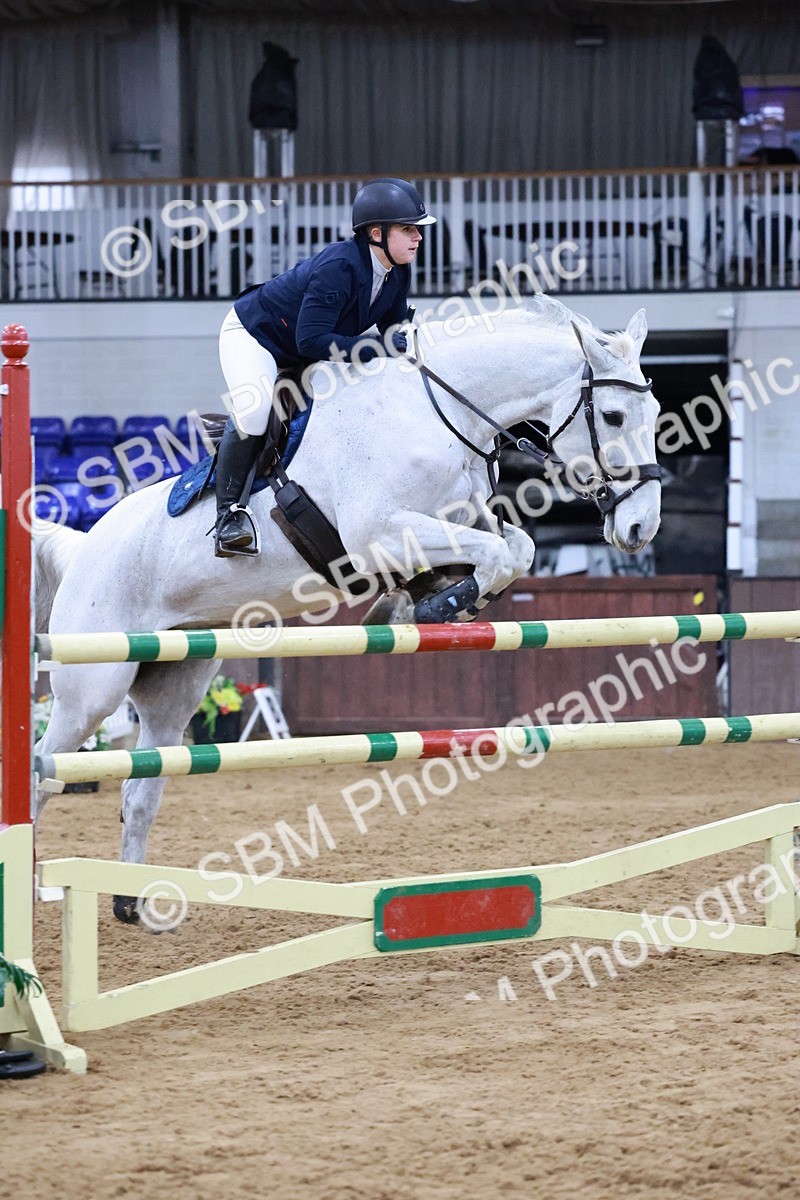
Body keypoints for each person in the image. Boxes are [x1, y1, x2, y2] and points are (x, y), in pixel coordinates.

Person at [213, 177, 435, 556]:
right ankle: (228, 518)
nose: (417, 237)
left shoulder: (398, 270)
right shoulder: (339, 267)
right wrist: (380, 346)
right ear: (376, 234)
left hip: (303, 350)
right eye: (408, 229)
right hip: (255, 336)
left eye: (417, 229)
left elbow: (393, 333)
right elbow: (311, 340)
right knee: (254, 412)